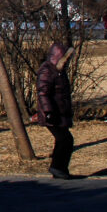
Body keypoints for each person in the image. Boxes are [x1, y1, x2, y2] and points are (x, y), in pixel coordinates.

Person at [37, 42, 75, 179]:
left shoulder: (59, 71)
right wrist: (48, 112)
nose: (67, 62)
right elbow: (43, 93)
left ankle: (60, 169)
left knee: (64, 140)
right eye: (66, 58)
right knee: (65, 139)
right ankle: (57, 167)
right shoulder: (47, 70)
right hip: (52, 114)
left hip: (60, 112)